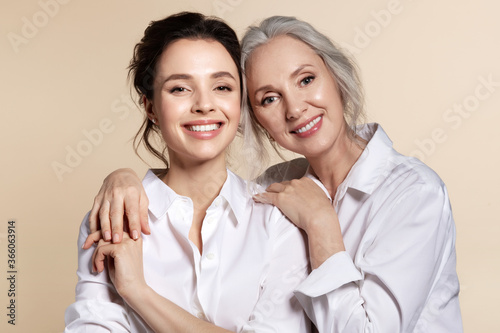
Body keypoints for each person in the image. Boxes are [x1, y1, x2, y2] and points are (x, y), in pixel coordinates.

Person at [89, 15, 463, 332]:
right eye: (269, 98)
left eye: (306, 80)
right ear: (252, 118)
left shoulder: (414, 193)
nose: (296, 108)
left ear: (337, 77)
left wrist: (321, 226)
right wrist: (122, 178)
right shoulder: (272, 190)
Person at [64, 12, 311, 333]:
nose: (204, 104)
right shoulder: (113, 217)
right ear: (150, 106)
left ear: (241, 103)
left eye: (222, 86)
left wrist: (137, 291)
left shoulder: (277, 219)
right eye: (180, 89)